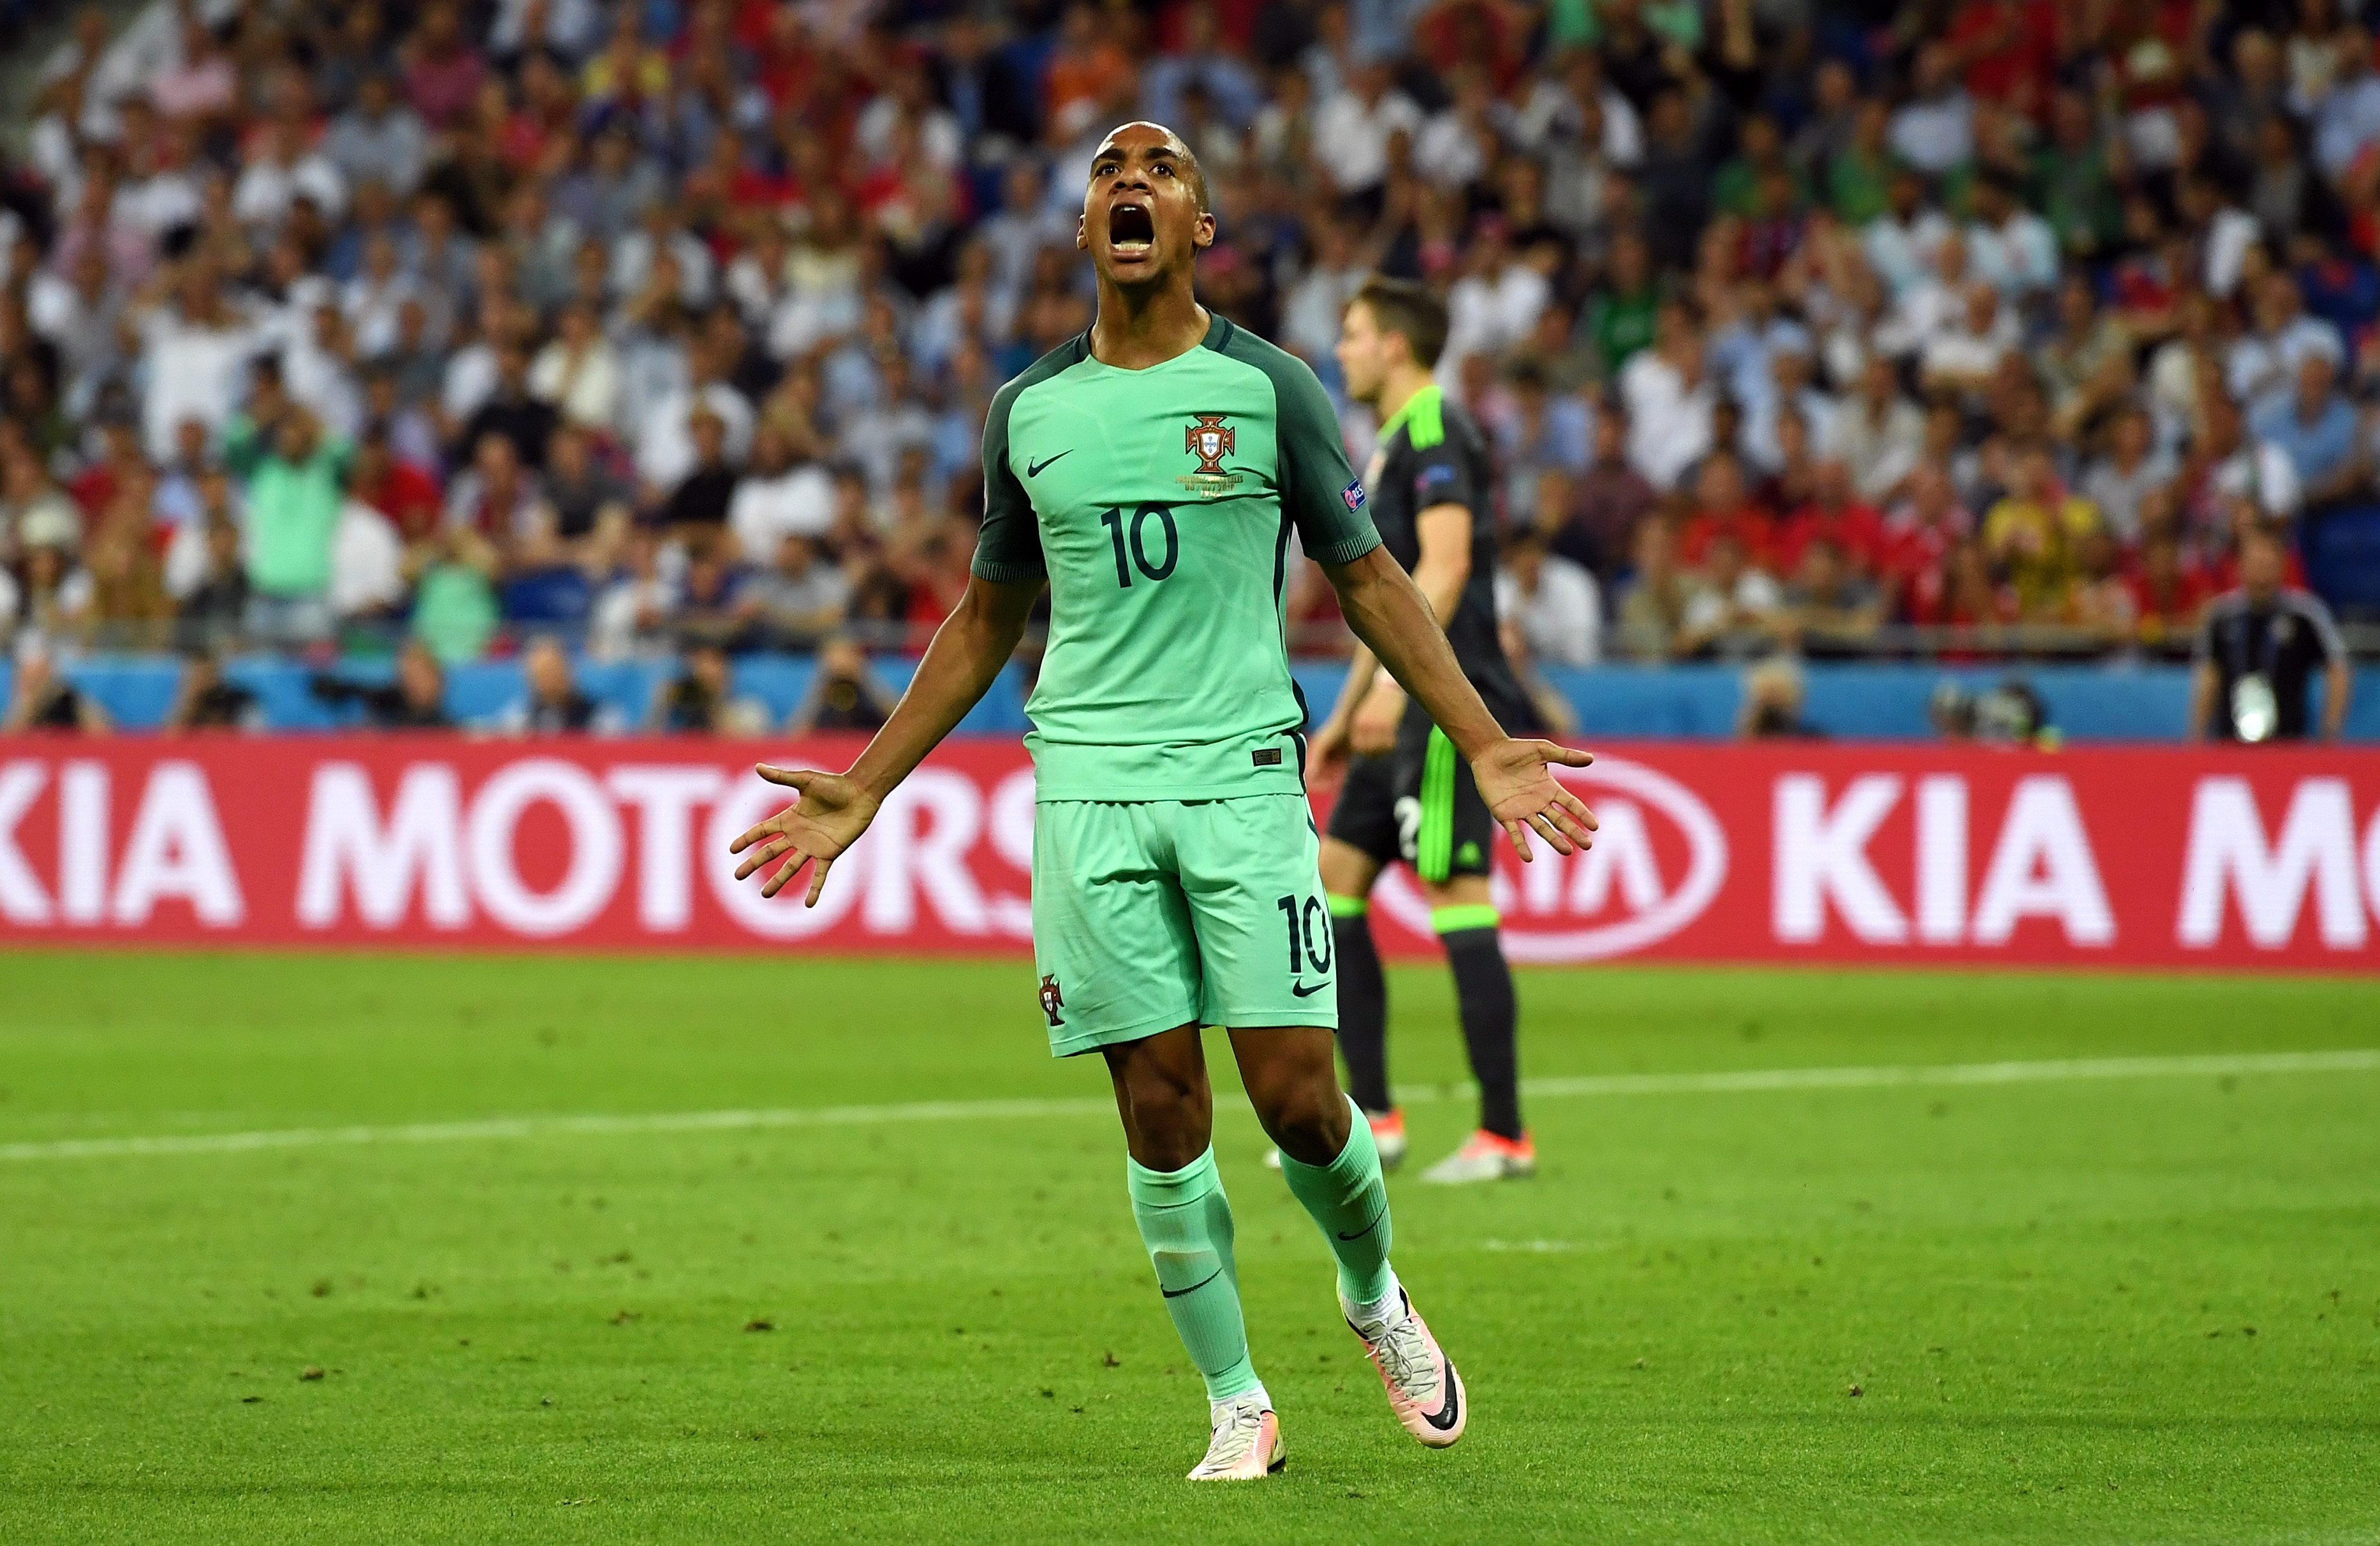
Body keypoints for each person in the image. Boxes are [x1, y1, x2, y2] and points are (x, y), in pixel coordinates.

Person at [726, 123, 1593, 1484]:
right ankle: (1237, 1401)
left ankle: (1373, 1292)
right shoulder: (1028, 410)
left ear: (1200, 226)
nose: (1131, 178)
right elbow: (985, 616)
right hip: (1088, 787)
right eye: (1108, 170)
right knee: (1160, 1108)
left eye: (1163, 167)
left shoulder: (1271, 387)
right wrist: (867, 783)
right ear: (1085, 228)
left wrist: (1482, 740)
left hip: (1240, 775)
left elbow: (1370, 576)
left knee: (1301, 1099)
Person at [1303, 274, 1546, 1188]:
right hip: (1398, 701)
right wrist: (1344, 715)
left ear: (1395, 345)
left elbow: (1442, 570)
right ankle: (1372, 1117)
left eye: (1354, 334)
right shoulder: (1396, 444)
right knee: (1337, 879)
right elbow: (1387, 603)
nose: (1342, 350)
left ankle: (1504, 1133)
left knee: (1453, 888)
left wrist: (1393, 693)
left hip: (1449, 703)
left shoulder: (1439, 429)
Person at [2189, 524, 2352, 743]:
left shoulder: (2306, 615)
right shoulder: (2221, 616)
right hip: (2229, 746)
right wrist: (2197, 735)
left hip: (2289, 745)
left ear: (2282, 566)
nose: (2261, 576)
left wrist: (2330, 732)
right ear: (2240, 567)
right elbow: (2209, 675)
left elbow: (2337, 669)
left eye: (2268, 565)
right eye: (2255, 565)